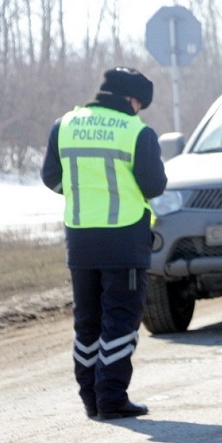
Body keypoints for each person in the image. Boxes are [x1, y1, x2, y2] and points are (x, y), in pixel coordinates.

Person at [40, 67, 167, 420]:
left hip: (80, 239)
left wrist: (83, 192)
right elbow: (154, 185)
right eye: (139, 104)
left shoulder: (64, 125)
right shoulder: (136, 131)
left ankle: (91, 398)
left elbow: (51, 177)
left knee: (88, 321)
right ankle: (111, 397)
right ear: (132, 99)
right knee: (120, 319)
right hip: (124, 240)